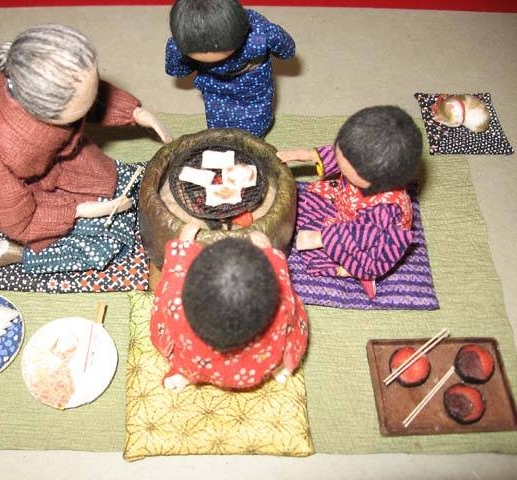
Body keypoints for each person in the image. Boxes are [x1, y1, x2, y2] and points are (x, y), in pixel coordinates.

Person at [0, 24, 171, 272]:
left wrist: (134, 113)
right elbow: (20, 220)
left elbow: (88, 95)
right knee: (104, 246)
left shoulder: (36, 82)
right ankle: (17, 254)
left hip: (55, 160)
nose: (94, 97)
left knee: (125, 181)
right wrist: (81, 210)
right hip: (20, 196)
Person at [277, 105, 422, 299]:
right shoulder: (363, 164)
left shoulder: (385, 208)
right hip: (345, 202)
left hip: (368, 238)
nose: (339, 159)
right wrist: (303, 155)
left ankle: (349, 271)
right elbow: (340, 156)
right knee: (305, 198)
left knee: (320, 254)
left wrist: (319, 238)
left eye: (345, 162)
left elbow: (362, 235)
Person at [150, 223, 309, 391]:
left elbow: (173, 274)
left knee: (172, 339)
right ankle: (280, 367)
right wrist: (269, 252)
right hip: (254, 369)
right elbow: (281, 278)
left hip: (195, 364)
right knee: (291, 326)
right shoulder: (281, 307)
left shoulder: (175, 305)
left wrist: (184, 245)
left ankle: (183, 376)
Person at [165, 0, 295, 137]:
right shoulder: (179, 46)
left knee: (256, 121)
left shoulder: (260, 35)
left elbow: (287, 50)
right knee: (219, 124)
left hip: (252, 84)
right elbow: (178, 70)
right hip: (214, 85)